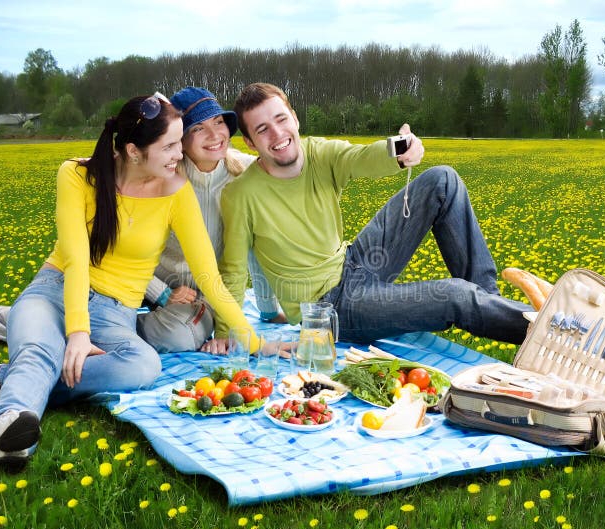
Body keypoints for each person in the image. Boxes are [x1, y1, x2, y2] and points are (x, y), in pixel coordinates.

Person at [0, 93, 259, 472]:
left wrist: (254, 340)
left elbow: (208, 274)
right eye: (171, 145)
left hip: (115, 311)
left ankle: (5, 377)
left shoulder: (176, 191)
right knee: (41, 349)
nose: (181, 155)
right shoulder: (76, 175)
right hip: (54, 289)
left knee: (142, 366)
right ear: (134, 150)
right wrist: (77, 332)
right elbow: (76, 260)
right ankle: (10, 432)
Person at [0, 87, 281, 354]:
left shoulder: (243, 173)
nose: (215, 135)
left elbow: (256, 246)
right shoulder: (159, 175)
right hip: (140, 286)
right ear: (176, 139)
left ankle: (26, 325)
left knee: (178, 337)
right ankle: (24, 324)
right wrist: (161, 292)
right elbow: (121, 250)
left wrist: (266, 313)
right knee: (157, 337)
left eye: (219, 123)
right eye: (198, 128)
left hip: (195, 292)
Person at [215, 82, 537, 345]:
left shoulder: (318, 153)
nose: (277, 133)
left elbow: (361, 157)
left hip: (356, 262)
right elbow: (232, 270)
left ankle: (495, 307)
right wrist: (225, 334)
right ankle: (547, 333)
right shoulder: (241, 194)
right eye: (263, 129)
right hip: (331, 309)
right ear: (250, 142)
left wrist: (400, 148)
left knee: (442, 180)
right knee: (456, 296)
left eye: (281, 119)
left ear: (295, 119)